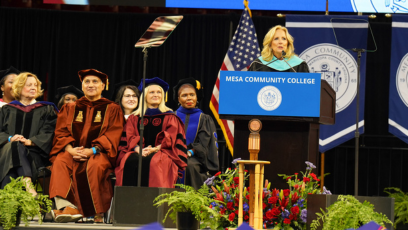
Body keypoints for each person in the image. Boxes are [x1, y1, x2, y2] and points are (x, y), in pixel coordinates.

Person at [49, 69, 124, 223]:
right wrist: (70, 150)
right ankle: (66, 207)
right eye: (87, 82)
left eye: (95, 82)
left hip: (98, 152)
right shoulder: (70, 107)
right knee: (60, 162)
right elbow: (60, 131)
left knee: (95, 166)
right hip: (72, 151)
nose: (91, 85)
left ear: (103, 86)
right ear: (82, 86)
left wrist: (93, 150)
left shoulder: (112, 108)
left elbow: (113, 134)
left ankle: (95, 212)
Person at [115, 77, 188, 188]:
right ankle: (128, 203)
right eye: (152, 92)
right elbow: (128, 138)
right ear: (145, 96)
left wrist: (155, 149)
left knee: (156, 162)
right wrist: (138, 149)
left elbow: (172, 139)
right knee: (128, 161)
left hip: (163, 152)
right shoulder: (134, 118)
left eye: (159, 92)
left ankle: (156, 204)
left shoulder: (170, 117)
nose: (156, 95)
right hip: (137, 151)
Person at [0, 72, 58, 196]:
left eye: (35, 85)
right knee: (15, 145)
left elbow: (49, 132)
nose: (33, 88)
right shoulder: (6, 110)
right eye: (28, 85)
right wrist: (10, 138)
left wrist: (30, 141)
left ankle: (6, 207)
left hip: (33, 154)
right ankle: (28, 183)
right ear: (19, 88)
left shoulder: (47, 109)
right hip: (6, 153)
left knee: (10, 170)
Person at [173, 78, 219, 189]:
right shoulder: (171, 117)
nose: (189, 98)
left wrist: (189, 153)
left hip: (194, 157)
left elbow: (203, 144)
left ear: (196, 97)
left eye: (192, 95)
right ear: (178, 99)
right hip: (173, 154)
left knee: (189, 166)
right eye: (184, 95)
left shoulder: (204, 119)